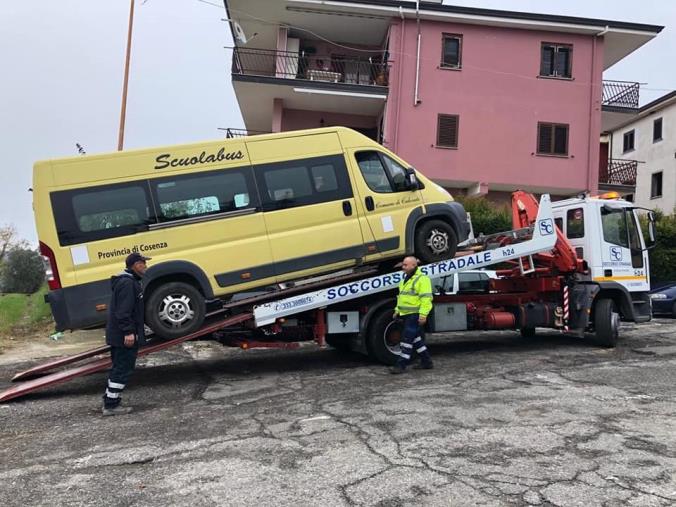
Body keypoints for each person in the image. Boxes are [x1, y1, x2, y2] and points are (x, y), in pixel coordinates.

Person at [101, 252, 150, 416]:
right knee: (122, 368)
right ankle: (111, 405)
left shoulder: (129, 282)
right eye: (144, 263)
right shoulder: (128, 284)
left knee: (118, 368)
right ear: (136, 265)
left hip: (119, 334)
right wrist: (128, 332)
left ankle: (110, 399)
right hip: (123, 336)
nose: (146, 266)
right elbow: (123, 312)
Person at [390, 256, 434, 374]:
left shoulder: (422, 279)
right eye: (403, 264)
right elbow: (402, 298)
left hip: (414, 315)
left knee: (406, 339)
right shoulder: (405, 279)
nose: (402, 267)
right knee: (416, 340)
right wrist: (397, 310)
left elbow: (426, 299)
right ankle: (427, 362)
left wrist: (423, 315)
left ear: (414, 266)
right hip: (405, 314)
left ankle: (401, 365)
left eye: (405, 265)